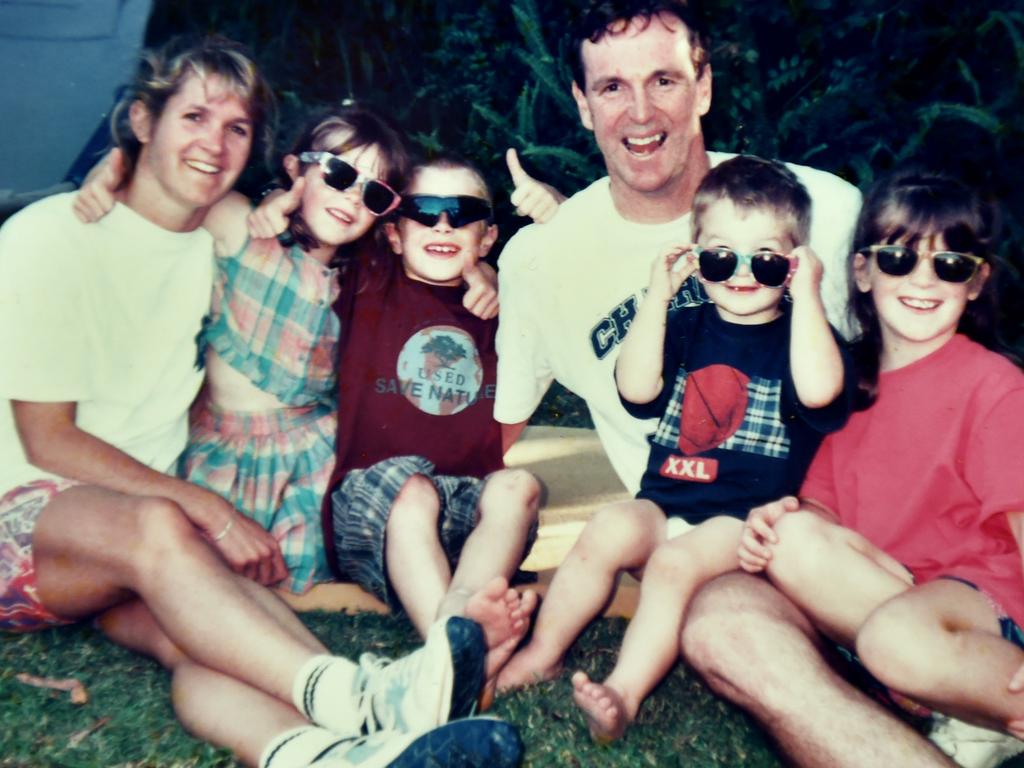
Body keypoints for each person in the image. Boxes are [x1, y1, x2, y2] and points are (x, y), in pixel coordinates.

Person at [0, 37, 524, 767]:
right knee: (160, 528)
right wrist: (208, 506)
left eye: (236, 127)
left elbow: (377, 241)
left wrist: (486, 269)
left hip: (124, 550)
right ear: (143, 121)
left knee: (208, 641)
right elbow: (46, 443)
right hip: (31, 520)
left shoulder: (213, 238)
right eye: (193, 117)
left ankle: (327, 754)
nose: (214, 143)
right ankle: (365, 696)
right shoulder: (51, 238)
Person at [495, 2, 958, 766]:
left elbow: (925, 377)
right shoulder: (541, 260)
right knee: (724, 631)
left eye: (665, 80)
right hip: (698, 536)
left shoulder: (828, 212)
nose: (640, 113)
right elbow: (507, 429)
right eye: (611, 87)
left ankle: (948, 676)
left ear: (705, 86)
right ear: (580, 103)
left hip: (831, 530)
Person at [500, 156, 851, 728]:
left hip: (745, 519)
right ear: (695, 255)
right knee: (608, 527)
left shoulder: (803, 337)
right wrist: (657, 299)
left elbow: (819, 394)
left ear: (793, 263)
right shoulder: (685, 323)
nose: (740, 274)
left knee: (670, 565)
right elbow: (636, 390)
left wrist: (808, 294)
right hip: (667, 499)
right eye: (719, 257)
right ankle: (542, 654)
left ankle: (624, 693)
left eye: (765, 261)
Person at [737, 169, 1024, 768]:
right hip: (897, 600)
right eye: (898, 259)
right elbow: (823, 509)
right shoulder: (849, 389)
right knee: (789, 540)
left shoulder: (994, 385)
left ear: (976, 283)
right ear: (863, 271)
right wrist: (780, 517)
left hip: (987, 610)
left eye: (949, 265)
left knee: (894, 640)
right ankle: (962, 710)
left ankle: (981, 699)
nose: (922, 280)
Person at [322, 153, 543, 695]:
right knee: (414, 490)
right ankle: (454, 650)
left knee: (520, 486)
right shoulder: (367, 286)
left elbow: (576, 284)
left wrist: (548, 228)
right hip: (373, 507)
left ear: (487, 238)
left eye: (461, 212)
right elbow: (317, 225)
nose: (442, 224)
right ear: (395, 234)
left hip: (463, 517)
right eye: (424, 211)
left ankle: (455, 641)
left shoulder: (511, 310)